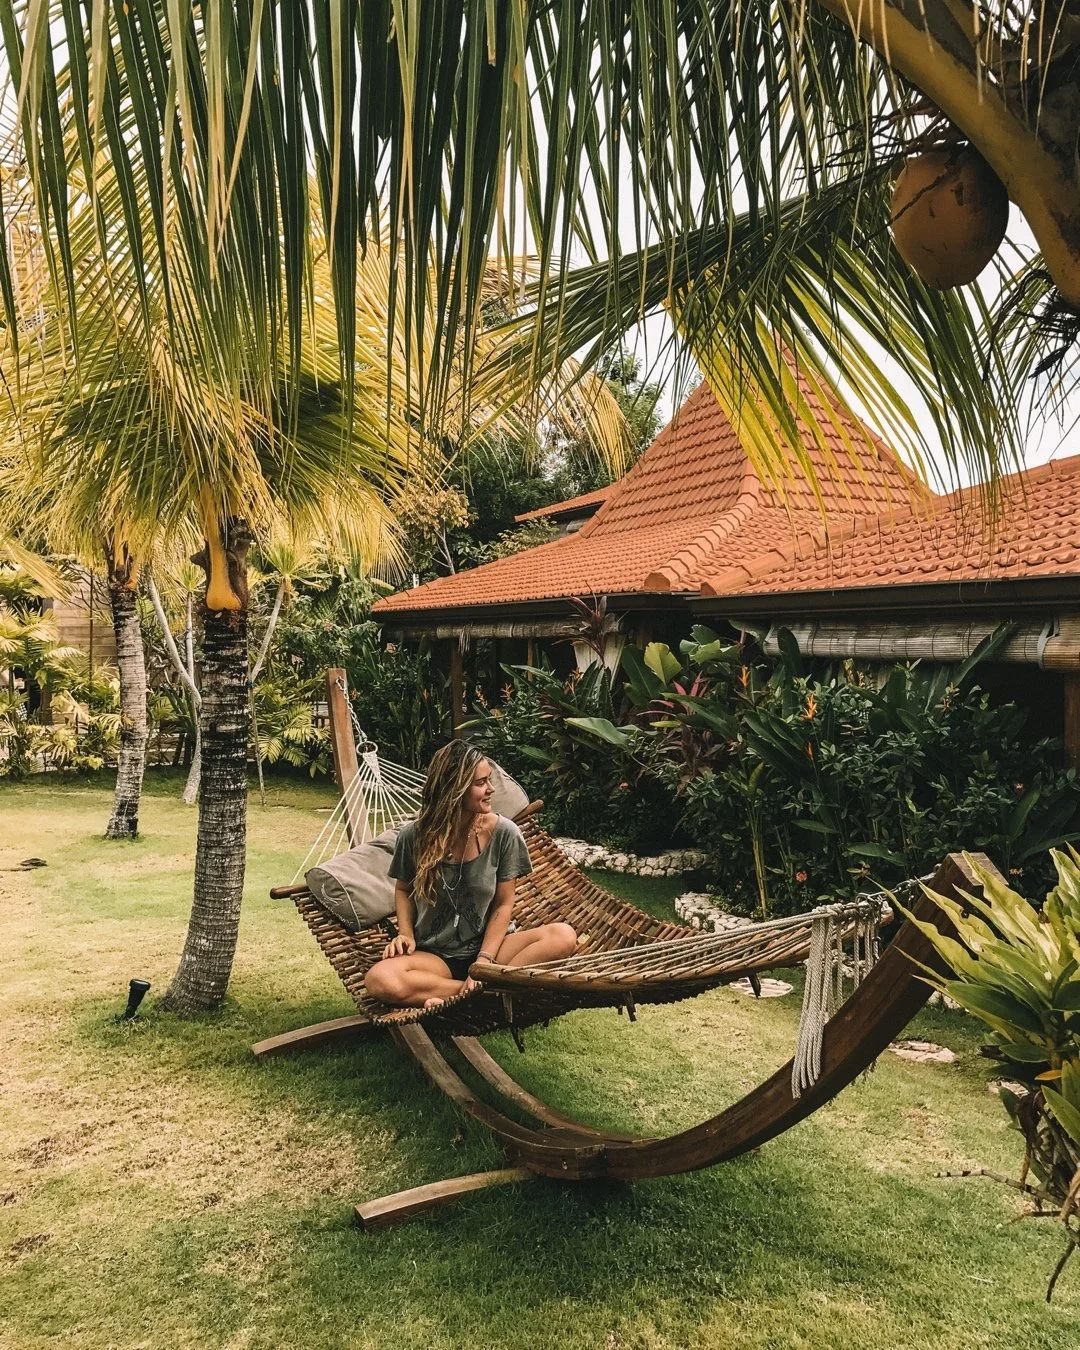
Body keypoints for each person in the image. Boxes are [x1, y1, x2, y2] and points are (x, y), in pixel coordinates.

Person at [363, 740, 577, 1009]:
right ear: (455, 789)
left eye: (489, 780)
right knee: (379, 979)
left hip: (494, 950)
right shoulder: (414, 837)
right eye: (481, 783)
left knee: (563, 936)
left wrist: (484, 962)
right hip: (436, 956)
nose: (491, 789)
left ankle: (455, 994)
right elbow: (403, 889)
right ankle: (483, 995)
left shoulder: (505, 834)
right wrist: (405, 934)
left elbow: (503, 904)